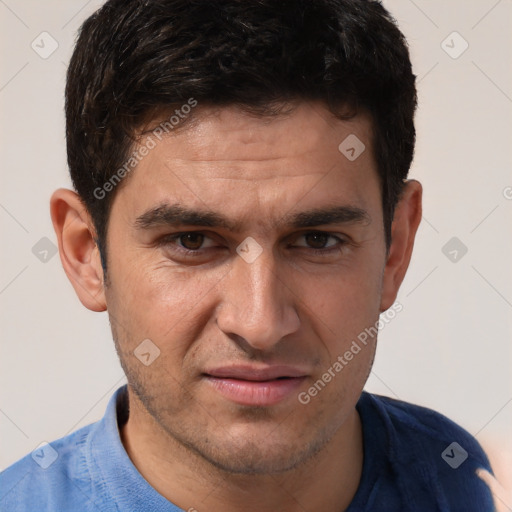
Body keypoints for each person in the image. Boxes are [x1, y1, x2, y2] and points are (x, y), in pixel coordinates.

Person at [0, 0, 496, 510]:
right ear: (87, 255)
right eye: (192, 240)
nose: (260, 323)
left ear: (396, 249)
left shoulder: (475, 485)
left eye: (317, 239)